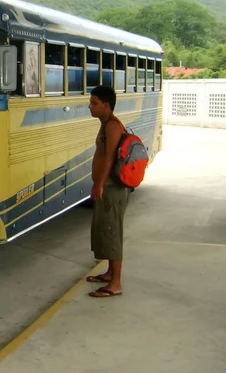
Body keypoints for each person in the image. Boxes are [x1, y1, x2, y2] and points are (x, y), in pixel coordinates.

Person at [86, 85, 129, 298]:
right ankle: (110, 273)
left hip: (112, 188)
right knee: (105, 230)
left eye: (94, 103)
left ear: (106, 105)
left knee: (112, 232)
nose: (90, 106)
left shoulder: (112, 125)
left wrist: (99, 183)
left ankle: (116, 283)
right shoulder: (106, 124)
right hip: (108, 187)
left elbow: (110, 157)